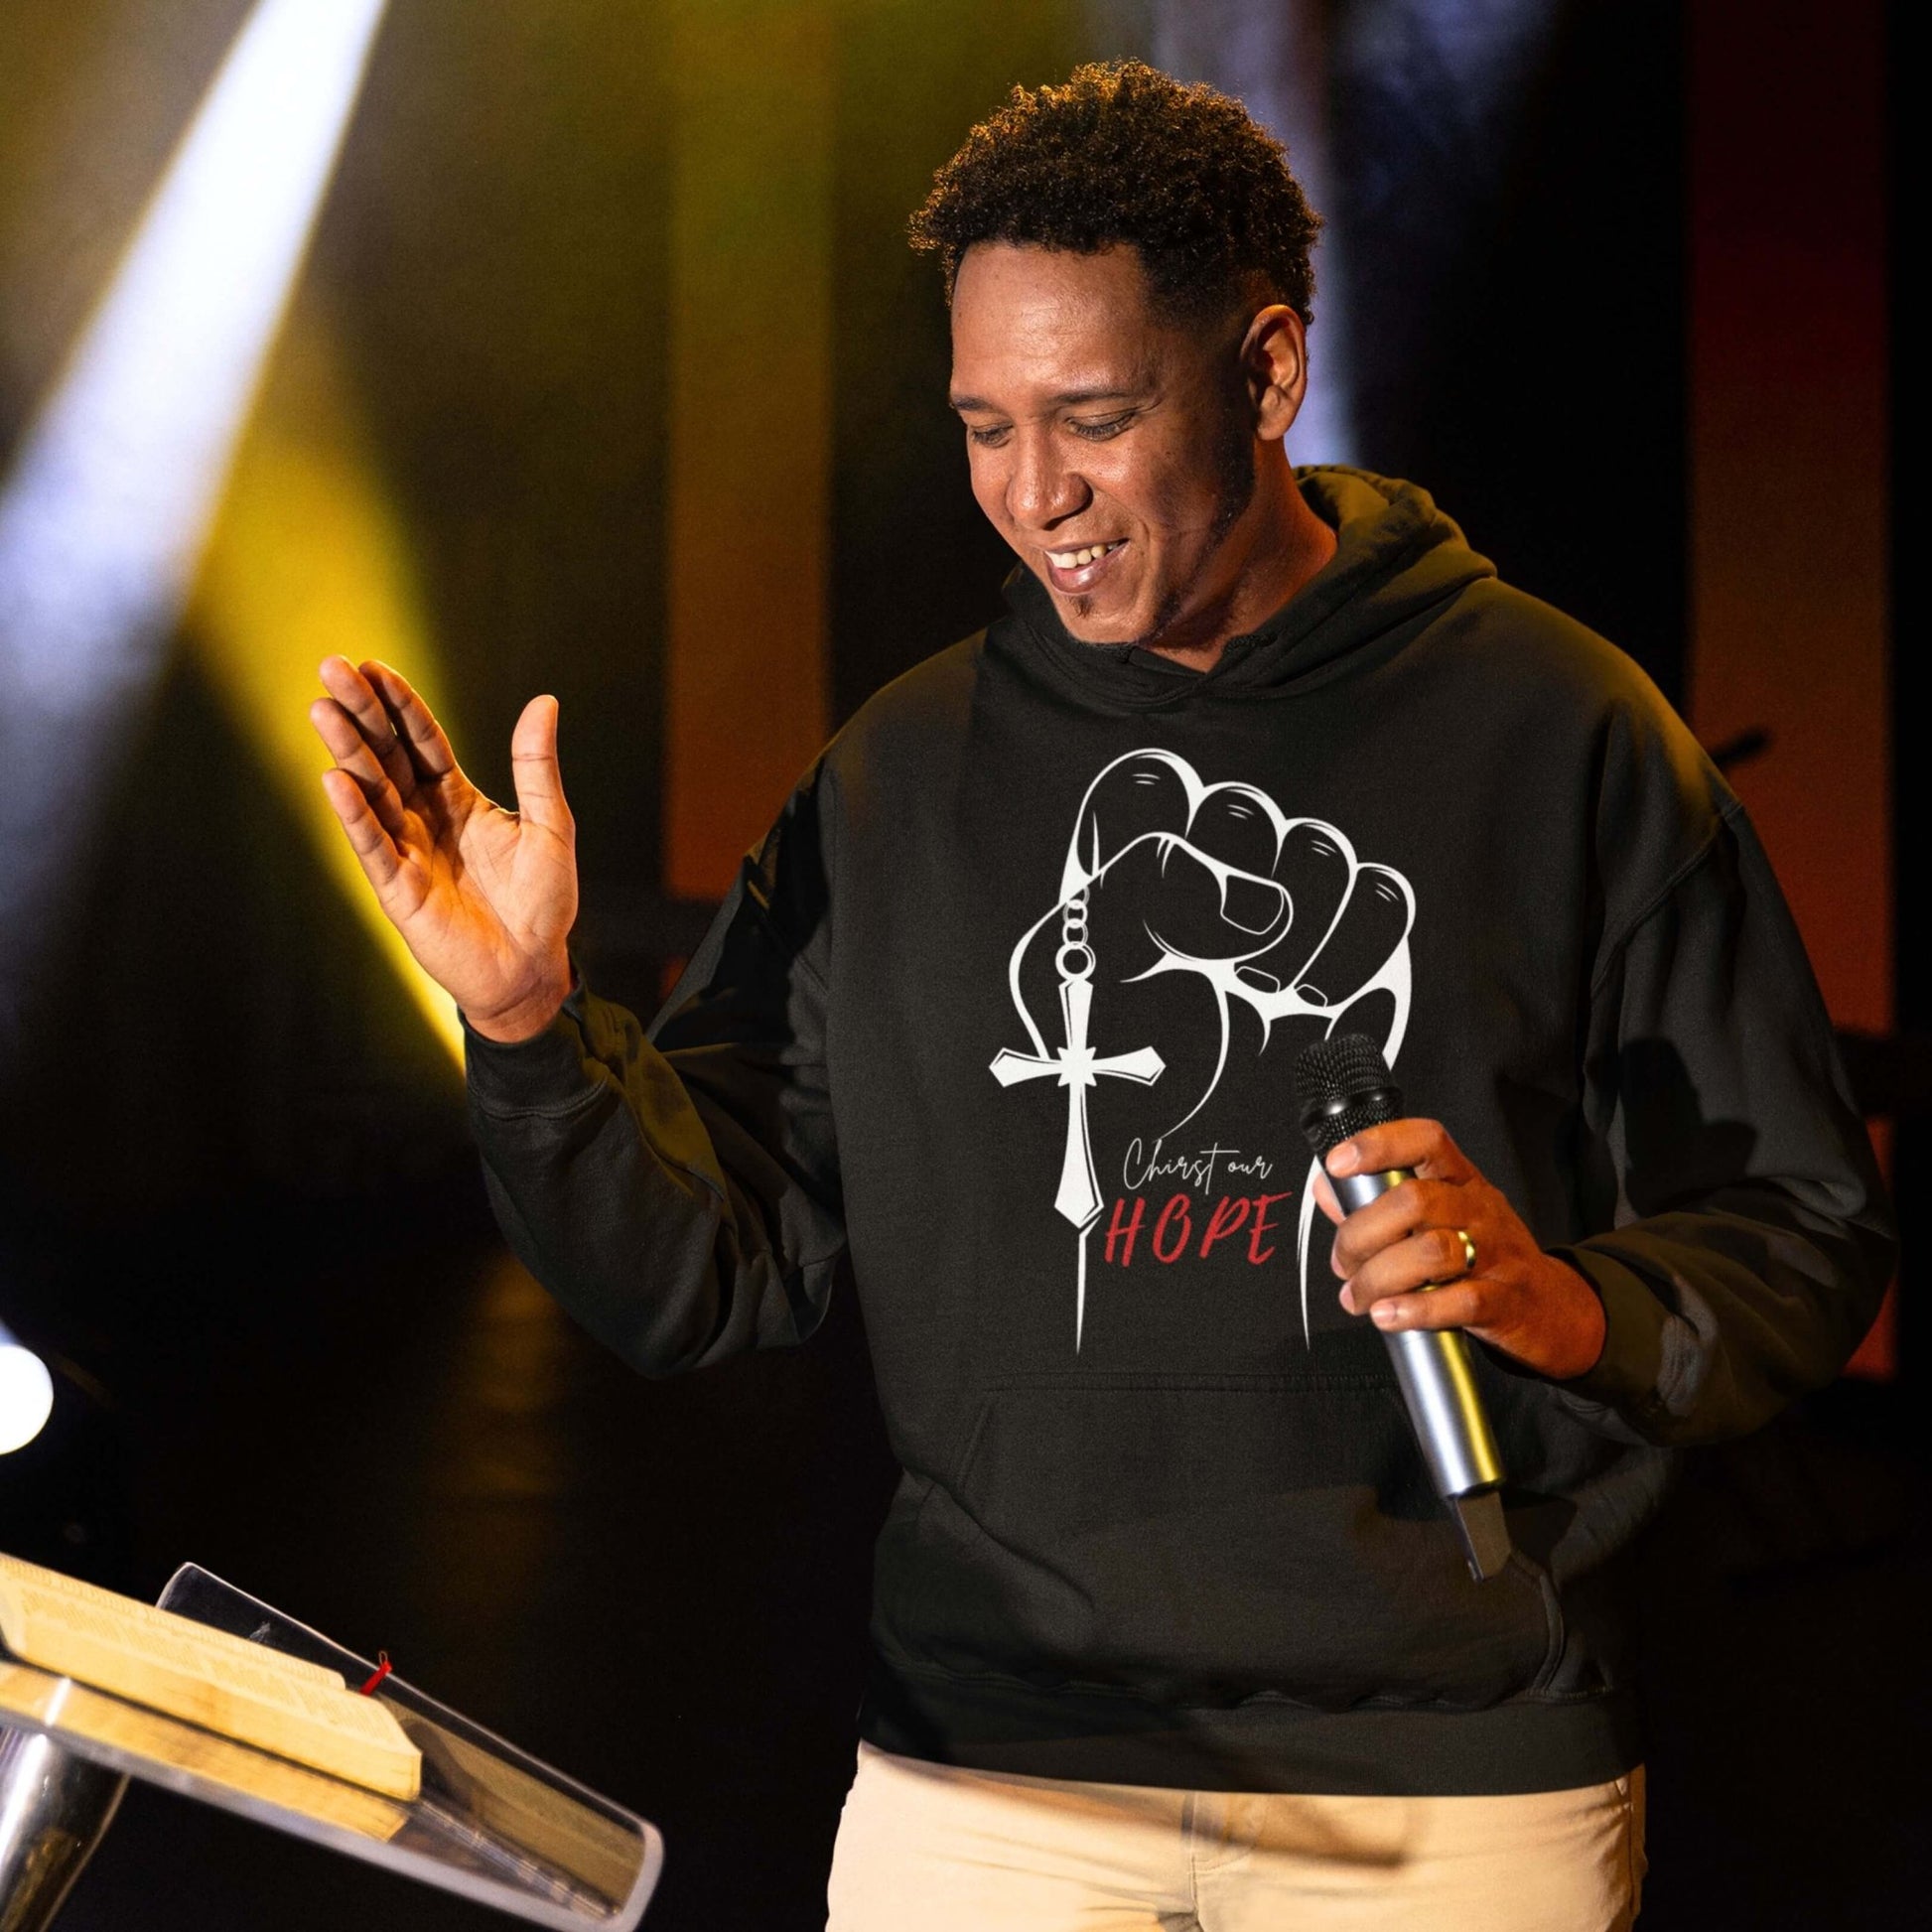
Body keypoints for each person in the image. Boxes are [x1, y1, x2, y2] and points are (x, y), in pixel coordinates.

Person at [309, 61, 1890, 1932]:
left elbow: (1800, 1230)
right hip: (986, 1783)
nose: (1031, 494)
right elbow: (701, 1270)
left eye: (1095, 416)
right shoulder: (898, 782)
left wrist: (1558, 1302)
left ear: (1268, 371)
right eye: (984, 424)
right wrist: (525, 1026)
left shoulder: (1559, 734)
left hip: (1447, 1789)